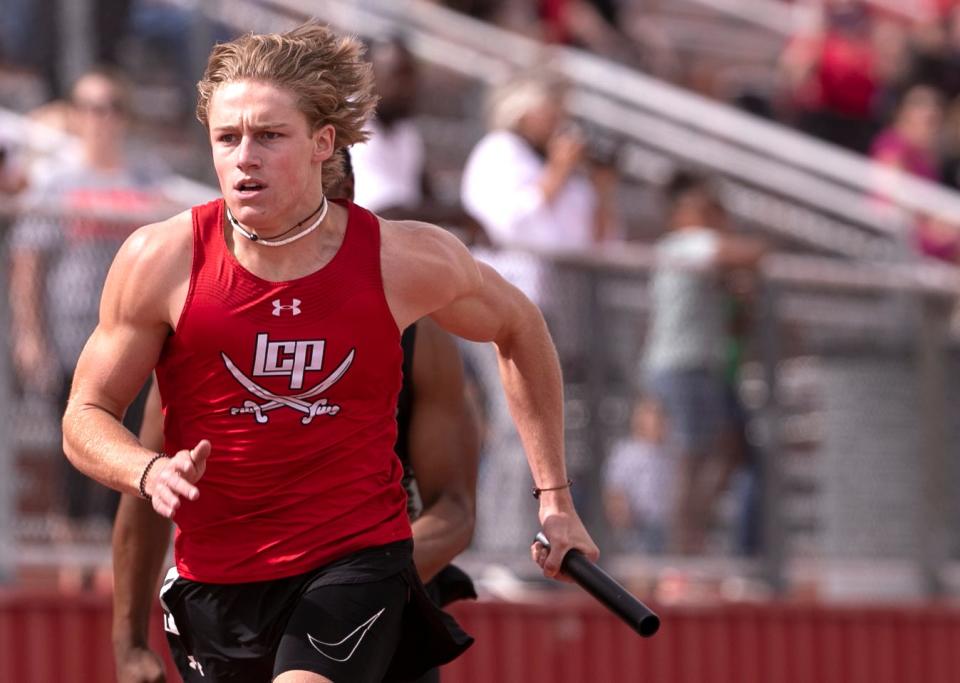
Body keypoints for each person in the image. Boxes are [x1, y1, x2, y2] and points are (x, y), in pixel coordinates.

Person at [63, 22, 596, 683]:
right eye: (227, 138)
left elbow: (520, 325)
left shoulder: (402, 263)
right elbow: (84, 414)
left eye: (268, 136)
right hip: (217, 584)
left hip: (354, 562)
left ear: (324, 144)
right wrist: (146, 471)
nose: (244, 157)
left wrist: (555, 498)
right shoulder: (160, 261)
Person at [112, 155, 480, 683]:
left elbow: (457, 508)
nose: (297, 235)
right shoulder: (204, 329)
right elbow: (147, 490)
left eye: (315, 213)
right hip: (236, 596)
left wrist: (345, 579)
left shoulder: (417, 327)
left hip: (370, 595)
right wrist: (127, 642)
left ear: (351, 204)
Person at [7, 66, 175, 583]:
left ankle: (110, 576)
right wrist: (30, 333)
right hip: (72, 336)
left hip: (135, 339)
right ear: (77, 116)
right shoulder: (59, 183)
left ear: (123, 115)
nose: (99, 118)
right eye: (88, 107)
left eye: (109, 107)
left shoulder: (146, 179)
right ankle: (71, 577)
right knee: (74, 461)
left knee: (125, 455)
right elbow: (29, 264)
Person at [642, 170, 764, 555]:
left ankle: (692, 547)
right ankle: (681, 554)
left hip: (703, 367)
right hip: (683, 366)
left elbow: (738, 323)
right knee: (691, 459)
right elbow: (749, 253)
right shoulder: (684, 243)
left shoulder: (702, 252)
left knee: (724, 454)